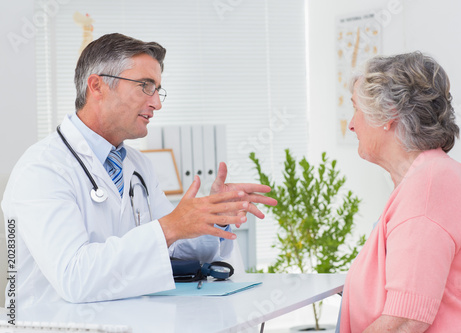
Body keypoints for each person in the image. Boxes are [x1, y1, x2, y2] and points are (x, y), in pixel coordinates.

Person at [1, 33, 277, 307]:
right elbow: (74, 278)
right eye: (146, 86)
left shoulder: (138, 165)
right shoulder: (42, 168)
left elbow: (175, 250)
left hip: (130, 320)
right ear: (97, 86)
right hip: (53, 325)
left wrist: (212, 216)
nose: (157, 103)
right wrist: (170, 227)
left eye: (158, 89)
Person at [339, 51, 461, 332]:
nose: (351, 124)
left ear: (388, 114)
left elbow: (405, 321)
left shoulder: (428, 188)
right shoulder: (428, 178)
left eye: (356, 108)